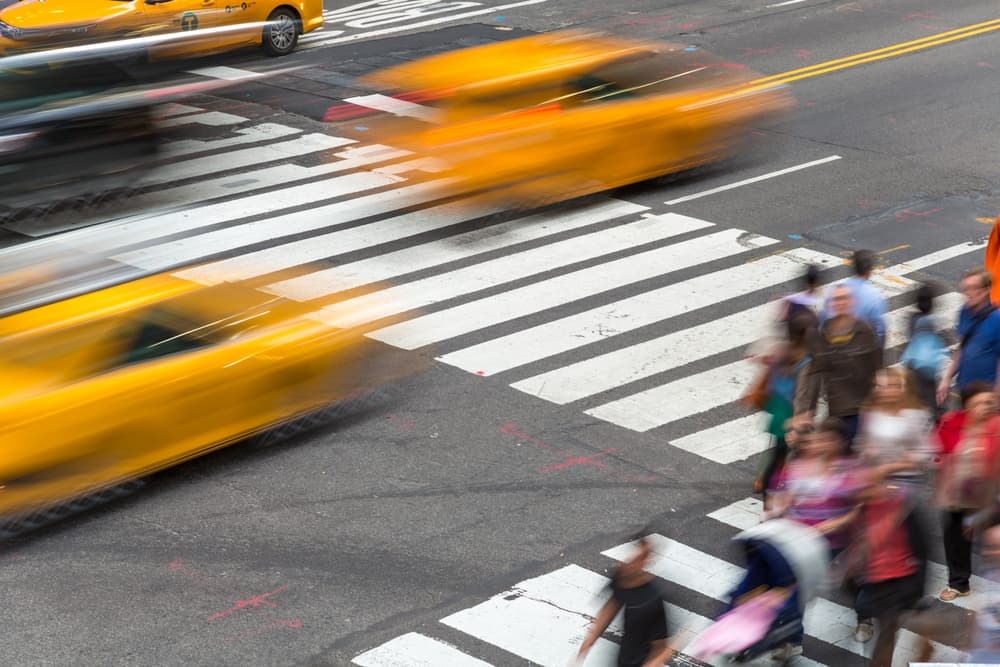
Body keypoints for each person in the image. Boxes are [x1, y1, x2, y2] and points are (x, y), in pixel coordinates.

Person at [850, 468, 929, 666]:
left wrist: (919, 591)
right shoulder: (860, 512)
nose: (866, 492)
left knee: (886, 635)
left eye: (871, 486)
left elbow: (921, 551)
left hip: (899, 582)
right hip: (872, 583)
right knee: (882, 637)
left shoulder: (903, 509)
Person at [933, 381, 1000, 602]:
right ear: (967, 406)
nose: (986, 406)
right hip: (956, 495)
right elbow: (937, 451)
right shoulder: (951, 422)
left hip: (991, 495)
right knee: (955, 539)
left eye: (989, 402)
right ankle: (959, 584)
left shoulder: (997, 425)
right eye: (979, 403)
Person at [796, 284, 882, 451]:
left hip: (861, 409)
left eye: (844, 298)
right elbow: (815, 372)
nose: (840, 302)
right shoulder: (824, 332)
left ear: (852, 302)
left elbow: (878, 369)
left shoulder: (865, 331)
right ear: (830, 304)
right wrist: (808, 410)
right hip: (836, 410)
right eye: (836, 299)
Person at [575, 532, 675, 666]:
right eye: (629, 559)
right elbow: (611, 606)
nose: (628, 564)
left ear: (645, 561)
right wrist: (588, 642)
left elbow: (661, 647)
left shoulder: (652, 600)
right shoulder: (621, 577)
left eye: (636, 560)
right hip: (623, 659)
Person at [752, 312, 816, 497]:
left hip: (776, 405)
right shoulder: (805, 360)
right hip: (790, 411)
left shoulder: (782, 350)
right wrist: (800, 418)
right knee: (785, 450)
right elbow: (802, 394)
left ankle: (764, 480)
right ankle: (769, 486)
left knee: (777, 447)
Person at [856, 367, 933, 492]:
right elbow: (860, 444)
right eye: (881, 386)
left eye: (893, 386)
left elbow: (927, 451)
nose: (888, 391)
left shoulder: (916, 415)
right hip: (876, 479)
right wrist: (866, 453)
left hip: (908, 480)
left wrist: (894, 466)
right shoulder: (869, 415)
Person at [937, 267, 1000, 408]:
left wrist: (996, 398)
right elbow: (962, 346)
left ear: (986, 290)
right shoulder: (964, 312)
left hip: (986, 398)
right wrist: (947, 379)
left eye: (973, 288)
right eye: (965, 289)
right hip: (964, 391)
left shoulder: (997, 319)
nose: (968, 293)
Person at [900, 283, 949, 417]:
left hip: (913, 366)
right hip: (928, 371)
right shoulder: (932, 322)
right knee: (931, 398)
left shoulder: (911, 319)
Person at [822, 249, 887, 343]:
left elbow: (824, 319)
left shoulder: (836, 291)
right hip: (861, 347)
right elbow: (879, 331)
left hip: (834, 344)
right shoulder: (875, 297)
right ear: (870, 270)